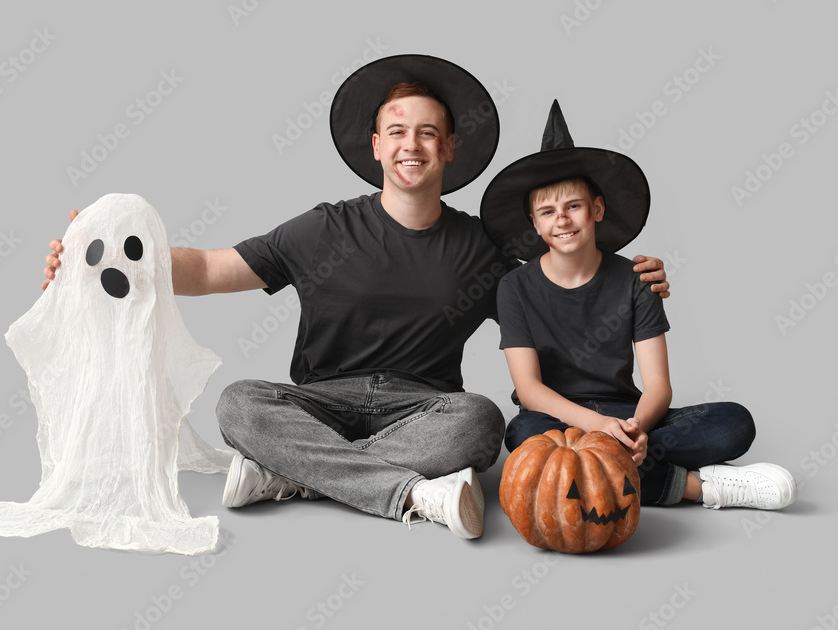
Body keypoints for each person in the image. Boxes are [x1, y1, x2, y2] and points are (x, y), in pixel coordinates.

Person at [43, 57, 671, 539]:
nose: (411, 145)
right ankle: (408, 496)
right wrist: (107, 255)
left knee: (480, 422)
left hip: (426, 411)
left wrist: (632, 278)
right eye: (396, 131)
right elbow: (209, 269)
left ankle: (291, 474)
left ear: (450, 148)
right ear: (375, 145)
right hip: (318, 402)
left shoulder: (482, 247)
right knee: (239, 405)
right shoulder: (324, 229)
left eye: (429, 133)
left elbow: (566, 280)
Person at [479, 100, 796, 510]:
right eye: (547, 212)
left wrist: (634, 429)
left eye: (573, 206)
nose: (562, 219)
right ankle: (699, 488)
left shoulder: (636, 278)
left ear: (596, 209)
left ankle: (593, 470)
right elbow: (530, 390)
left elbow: (659, 386)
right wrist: (601, 430)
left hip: (628, 412)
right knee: (523, 437)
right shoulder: (515, 287)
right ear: (536, 225)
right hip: (558, 418)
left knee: (733, 422)